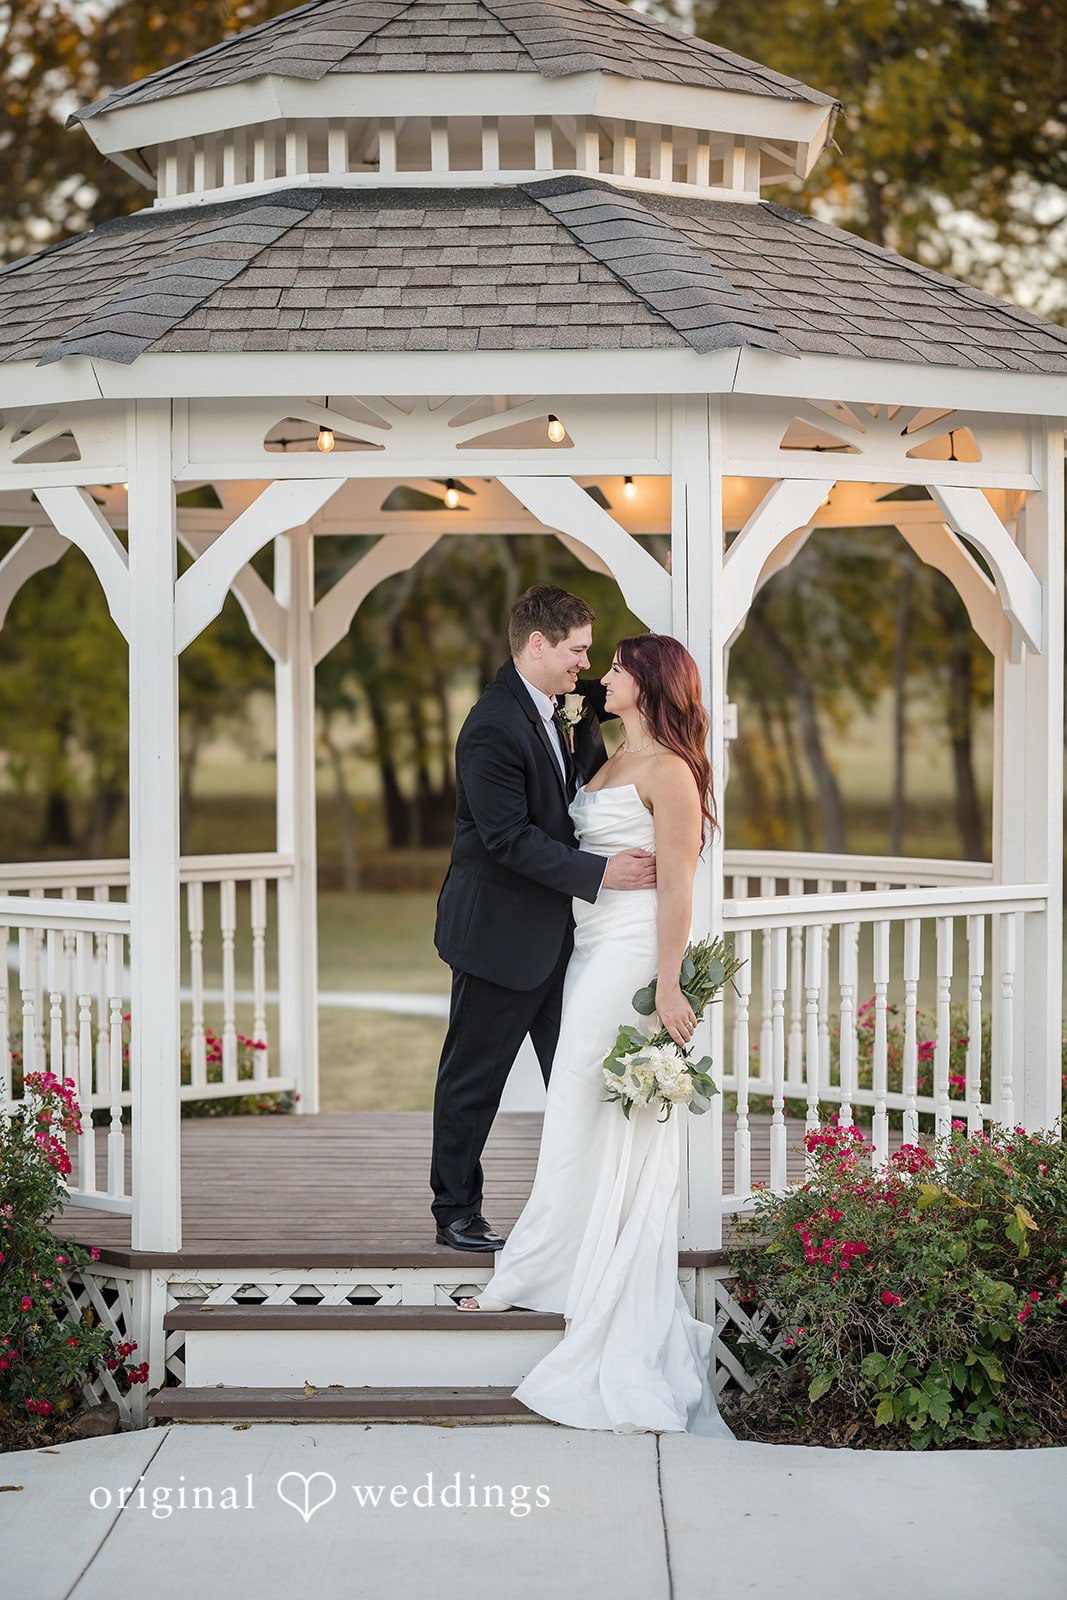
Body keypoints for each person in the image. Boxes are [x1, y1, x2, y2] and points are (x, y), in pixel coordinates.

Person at [455, 631, 733, 1439]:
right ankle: (557, 1264)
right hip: (586, 948)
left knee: (586, 1102)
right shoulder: (605, 755)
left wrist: (670, 983)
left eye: (612, 667)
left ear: (644, 684)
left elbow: (678, 885)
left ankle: (564, 1271)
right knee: (576, 1108)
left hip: (629, 961)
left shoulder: (670, 771)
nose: (599, 677)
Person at [430, 585, 657, 1253]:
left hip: (569, 939)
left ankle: (585, 1207)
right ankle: (455, 1212)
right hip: (498, 936)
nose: (584, 664)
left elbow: (599, 760)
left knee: (581, 1075)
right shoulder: (490, 727)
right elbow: (506, 839)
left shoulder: (566, 705)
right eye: (576, 650)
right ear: (537, 645)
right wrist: (601, 874)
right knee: (474, 1078)